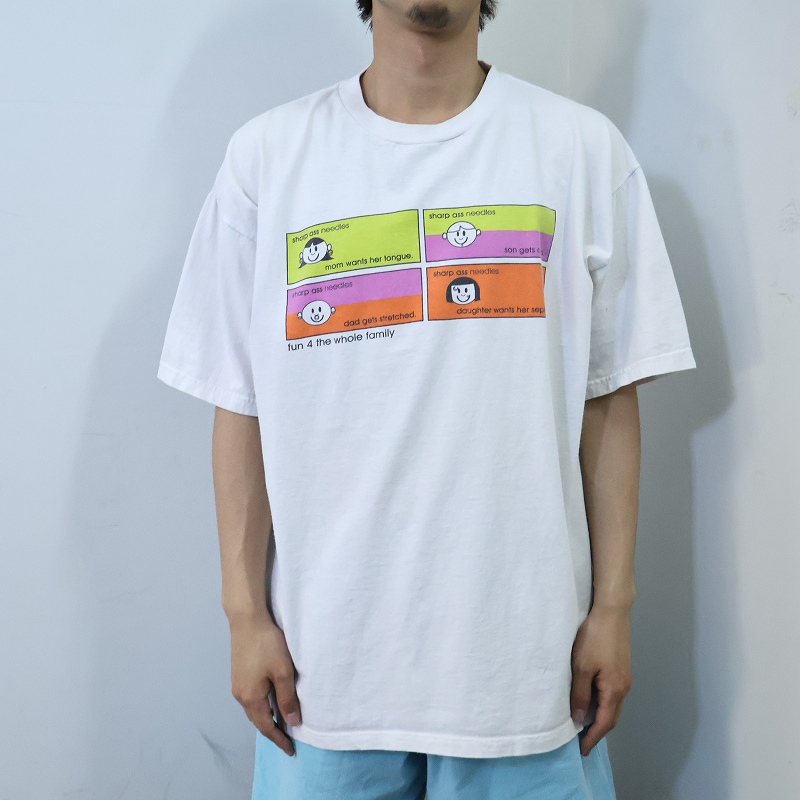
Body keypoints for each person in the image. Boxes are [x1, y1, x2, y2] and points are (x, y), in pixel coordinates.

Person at [157, 1, 696, 797]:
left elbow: (608, 393)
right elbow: (240, 402)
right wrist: (245, 616)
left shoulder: (581, 150)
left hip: (526, 681)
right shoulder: (268, 158)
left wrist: (614, 607)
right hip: (323, 684)